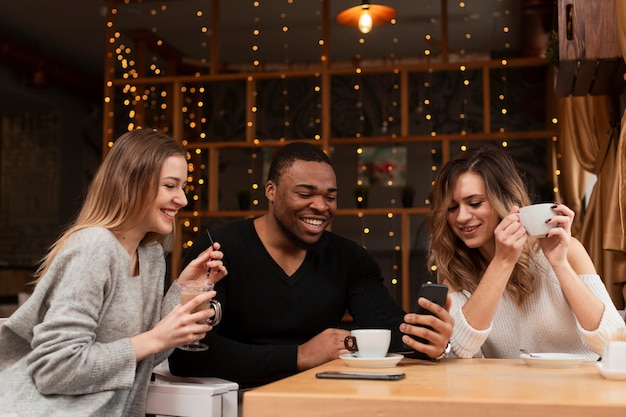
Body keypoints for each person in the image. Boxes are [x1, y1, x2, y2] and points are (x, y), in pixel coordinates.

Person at [169, 141, 454, 388]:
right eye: (305, 194)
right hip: (232, 402)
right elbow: (188, 354)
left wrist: (426, 339)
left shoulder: (349, 259)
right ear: (271, 190)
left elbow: (386, 327)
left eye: (330, 197)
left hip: (317, 400)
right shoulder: (217, 249)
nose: (321, 206)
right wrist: (300, 355)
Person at [0, 129, 228, 416]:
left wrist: (181, 290)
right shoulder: (94, 247)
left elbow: (144, 355)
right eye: (170, 186)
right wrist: (155, 338)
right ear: (131, 184)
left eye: (182, 187)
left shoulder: (151, 256)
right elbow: (55, 369)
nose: (182, 199)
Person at [426, 145, 625, 359]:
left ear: (503, 201)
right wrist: (502, 261)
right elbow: (462, 351)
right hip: (510, 391)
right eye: (452, 208)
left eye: (474, 203)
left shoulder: (567, 252)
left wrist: (560, 265)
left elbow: (613, 342)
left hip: (579, 389)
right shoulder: (455, 273)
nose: (461, 217)